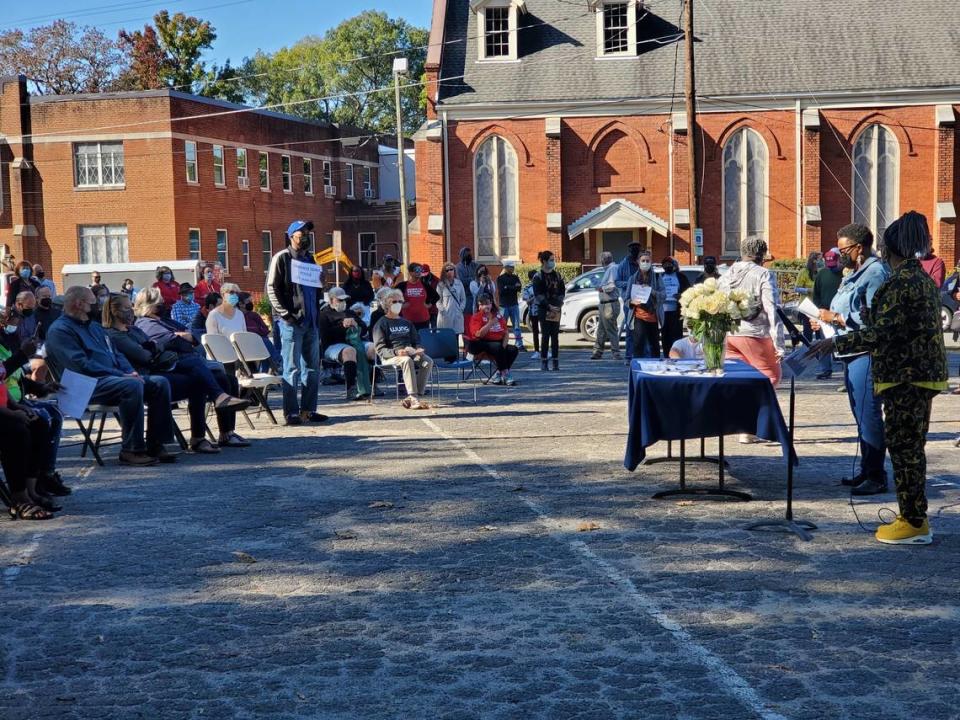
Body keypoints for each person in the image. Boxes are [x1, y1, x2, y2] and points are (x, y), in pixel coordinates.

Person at [807, 212, 946, 545]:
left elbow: (881, 333)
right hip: (919, 375)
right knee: (910, 449)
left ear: (888, 248)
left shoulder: (901, 282)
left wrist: (834, 342)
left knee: (905, 450)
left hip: (905, 377)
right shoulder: (919, 278)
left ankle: (913, 522)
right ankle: (913, 516)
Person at [45, 286, 176, 466]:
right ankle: (132, 449)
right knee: (132, 386)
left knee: (160, 383)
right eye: (93, 303)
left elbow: (116, 354)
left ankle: (156, 444)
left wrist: (130, 371)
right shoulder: (60, 331)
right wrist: (122, 375)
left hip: (111, 379)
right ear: (79, 304)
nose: (98, 305)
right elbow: (81, 365)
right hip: (83, 384)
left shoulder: (95, 327)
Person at [104, 294, 248, 454]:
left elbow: (161, 344)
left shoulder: (134, 329)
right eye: (126, 308)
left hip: (158, 368)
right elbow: (145, 355)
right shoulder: (117, 334)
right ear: (115, 311)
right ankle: (160, 443)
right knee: (194, 372)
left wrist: (154, 346)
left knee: (202, 377)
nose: (131, 311)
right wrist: (155, 346)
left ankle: (201, 436)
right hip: (146, 375)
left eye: (130, 307)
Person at [819, 223, 891, 496]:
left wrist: (835, 318)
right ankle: (866, 468)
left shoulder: (875, 273)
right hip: (849, 352)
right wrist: (825, 319)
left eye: (843, 248)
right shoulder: (855, 273)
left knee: (869, 414)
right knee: (861, 415)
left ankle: (876, 475)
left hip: (866, 354)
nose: (839, 253)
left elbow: (873, 319)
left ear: (858, 248)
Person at [267, 219, 327, 426]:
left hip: (311, 322)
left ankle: (308, 410)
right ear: (291, 236)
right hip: (291, 323)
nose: (305, 238)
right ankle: (291, 412)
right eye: (301, 234)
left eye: (307, 234)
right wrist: (286, 315)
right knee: (291, 368)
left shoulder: (311, 260)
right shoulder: (281, 258)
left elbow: (316, 290)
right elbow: (271, 288)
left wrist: (322, 282)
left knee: (312, 368)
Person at [718, 236, 785, 387]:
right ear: (763, 255)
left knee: (736, 378)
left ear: (742, 252)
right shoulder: (763, 274)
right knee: (770, 376)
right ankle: (758, 409)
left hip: (728, 334)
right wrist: (779, 344)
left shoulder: (726, 275)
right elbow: (772, 308)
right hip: (755, 332)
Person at [373, 289, 434, 409]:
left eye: (400, 301)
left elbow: (417, 341)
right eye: (394, 301)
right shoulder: (381, 323)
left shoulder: (406, 322)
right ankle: (413, 396)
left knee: (427, 361)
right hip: (391, 358)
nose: (398, 304)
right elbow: (380, 349)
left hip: (411, 354)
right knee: (406, 360)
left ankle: (416, 395)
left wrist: (418, 349)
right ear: (386, 304)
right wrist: (396, 352)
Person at [319, 287, 376, 401]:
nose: (343, 303)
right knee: (349, 351)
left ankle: (372, 384)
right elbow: (325, 336)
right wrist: (342, 326)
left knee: (372, 348)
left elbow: (364, 329)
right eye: (339, 300)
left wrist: (356, 324)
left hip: (355, 341)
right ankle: (351, 389)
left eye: (344, 300)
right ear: (331, 300)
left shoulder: (350, 312)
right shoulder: (324, 315)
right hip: (333, 345)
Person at [465, 293, 519, 385]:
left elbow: (506, 332)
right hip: (478, 343)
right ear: (480, 305)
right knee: (497, 347)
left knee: (513, 349)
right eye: (484, 304)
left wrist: (503, 346)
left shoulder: (497, 316)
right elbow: (479, 335)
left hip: (497, 344)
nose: (487, 306)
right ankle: (505, 374)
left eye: (489, 303)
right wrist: (490, 323)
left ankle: (498, 373)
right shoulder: (476, 317)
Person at [809, 248, 842, 380]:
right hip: (823, 314)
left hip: (839, 314)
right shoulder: (822, 274)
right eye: (829, 264)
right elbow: (816, 294)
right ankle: (825, 369)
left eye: (834, 263)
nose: (831, 267)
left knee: (842, 342)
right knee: (824, 342)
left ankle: (847, 373)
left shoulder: (846, 274)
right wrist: (817, 311)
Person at [627, 249, 664, 359]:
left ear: (651, 262)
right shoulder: (632, 279)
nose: (645, 263)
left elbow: (663, 295)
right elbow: (626, 299)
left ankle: (656, 368)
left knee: (655, 346)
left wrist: (652, 291)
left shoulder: (657, 278)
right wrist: (631, 302)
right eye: (643, 260)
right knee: (638, 345)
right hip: (639, 316)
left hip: (653, 317)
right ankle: (638, 367)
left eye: (648, 261)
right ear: (638, 262)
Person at [532, 250, 565, 371]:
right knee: (545, 336)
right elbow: (538, 294)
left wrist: (559, 304)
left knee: (555, 336)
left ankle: (555, 361)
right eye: (551, 260)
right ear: (544, 261)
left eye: (553, 260)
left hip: (556, 308)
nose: (553, 262)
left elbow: (562, 290)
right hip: (544, 309)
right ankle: (544, 361)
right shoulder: (538, 276)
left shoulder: (557, 275)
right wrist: (548, 306)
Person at [615, 241, 642, 362]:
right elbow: (617, 282)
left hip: (643, 301)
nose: (635, 251)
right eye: (633, 249)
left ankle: (642, 355)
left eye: (637, 249)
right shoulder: (622, 265)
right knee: (630, 329)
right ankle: (629, 356)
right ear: (629, 250)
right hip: (629, 302)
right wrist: (629, 284)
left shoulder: (643, 263)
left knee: (642, 330)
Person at [240, 293, 282, 370]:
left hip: (259, 341)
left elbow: (265, 329)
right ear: (241, 304)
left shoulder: (254, 315)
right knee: (264, 343)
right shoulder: (238, 316)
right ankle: (277, 361)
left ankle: (266, 371)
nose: (251, 303)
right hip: (247, 343)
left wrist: (258, 331)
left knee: (265, 346)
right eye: (248, 301)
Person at [593, 251, 622, 360]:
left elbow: (611, 286)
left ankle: (616, 353)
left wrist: (601, 288)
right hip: (605, 304)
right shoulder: (609, 269)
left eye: (601, 259)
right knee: (601, 329)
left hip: (609, 304)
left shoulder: (612, 269)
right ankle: (598, 351)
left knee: (611, 329)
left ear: (603, 260)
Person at [659, 256, 690, 354]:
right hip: (663, 311)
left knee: (676, 335)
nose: (668, 266)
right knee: (665, 335)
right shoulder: (659, 277)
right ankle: (666, 355)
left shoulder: (681, 277)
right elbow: (655, 291)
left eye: (670, 264)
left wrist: (681, 295)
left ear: (674, 265)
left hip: (676, 312)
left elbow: (688, 291)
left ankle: (677, 354)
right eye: (665, 264)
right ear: (663, 266)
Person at [396, 263, 439, 330]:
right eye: (417, 270)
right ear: (410, 272)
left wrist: (429, 305)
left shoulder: (425, 285)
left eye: (420, 270)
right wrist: (400, 305)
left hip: (423, 320)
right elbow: (391, 297)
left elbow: (436, 296)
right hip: (407, 321)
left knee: (422, 340)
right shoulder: (402, 285)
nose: (419, 272)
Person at [496, 261, 524, 350]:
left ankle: (519, 344)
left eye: (513, 267)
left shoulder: (515, 277)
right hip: (503, 306)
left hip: (514, 304)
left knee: (517, 326)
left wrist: (508, 287)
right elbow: (501, 291)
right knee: (502, 326)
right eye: (511, 267)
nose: (513, 268)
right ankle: (502, 344)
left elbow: (519, 288)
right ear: (506, 267)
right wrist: (513, 287)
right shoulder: (500, 278)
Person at [436, 262, 467, 335]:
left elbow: (463, 299)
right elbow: (438, 301)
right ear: (444, 273)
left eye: (451, 269)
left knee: (456, 336)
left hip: (457, 314)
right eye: (447, 270)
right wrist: (443, 311)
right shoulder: (441, 285)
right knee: (446, 337)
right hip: (445, 316)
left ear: (454, 271)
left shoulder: (459, 283)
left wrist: (461, 309)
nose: (449, 272)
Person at [521, 270, 540, 359]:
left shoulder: (542, 286)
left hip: (543, 311)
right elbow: (527, 301)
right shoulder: (527, 287)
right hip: (533, 311)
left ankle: (546, 350)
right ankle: (536, 351)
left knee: (546, 331)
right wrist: (535, 296)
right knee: (535, 332)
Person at [456, 247, 479, 311]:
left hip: (476, 295)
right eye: (467, 255)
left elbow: (480, 273)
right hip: (466, 296)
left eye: (470, 254)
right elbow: (460, 281)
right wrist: (471, 279)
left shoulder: (474, 265)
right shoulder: (458, 267)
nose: (470, 256)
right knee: (467, 315)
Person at [420, 263, 440, 329]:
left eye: (425, 273)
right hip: (423, 308)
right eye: (422, 273)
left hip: (433, 308)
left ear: (429, 271)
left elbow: (438, 294)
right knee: (425, 327)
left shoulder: (436, 280)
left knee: (434, 326)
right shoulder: (419, 280)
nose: (424, 275)